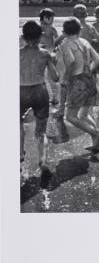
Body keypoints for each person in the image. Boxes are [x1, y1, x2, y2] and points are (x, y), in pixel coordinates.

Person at [20, 21, 59, 174]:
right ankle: (42, 160)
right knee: (41, 130)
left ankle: (20, 153)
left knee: (18, 124)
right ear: (40, 37)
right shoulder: (45, 54)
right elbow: (55, 78)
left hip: (20, 90)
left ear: (23, 37)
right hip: (39, 91)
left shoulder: (16, 53)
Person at [59, 17, 99, 152]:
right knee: (84, 115)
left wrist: (68, 77)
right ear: (80, 30)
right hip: (89, 79)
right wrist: (87, 71)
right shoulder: (84, 42)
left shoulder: (65, 43)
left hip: (77, 81)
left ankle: (95, 133)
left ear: (64, 32)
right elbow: (97, 60)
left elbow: (72, 61)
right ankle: (97, 144)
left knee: (70, 116)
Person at [39, 8, 59, 105]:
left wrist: (56, 48)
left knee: (50, 77)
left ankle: (54, 97)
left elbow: (58, 40)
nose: (53, 20)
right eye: (51, 18)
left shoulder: (52, 29)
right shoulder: (39, 29)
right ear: (45, 18)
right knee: (44, 77)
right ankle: (47, 96)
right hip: (42, 53)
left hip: (50, 53)